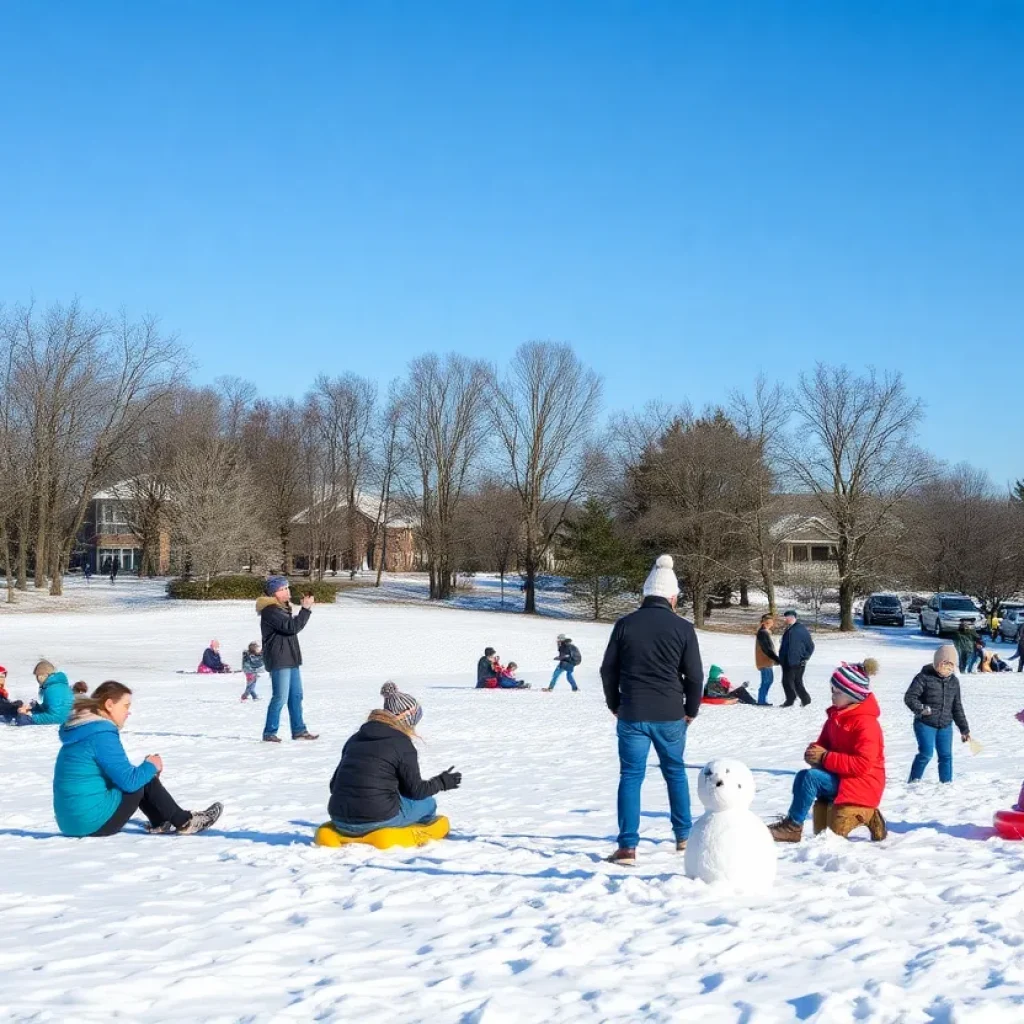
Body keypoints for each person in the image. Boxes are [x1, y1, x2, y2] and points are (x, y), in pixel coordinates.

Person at [600, 554, 703, 866]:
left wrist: (614, 704)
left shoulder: (624, 625)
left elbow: (608, 670)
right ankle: (684, 837)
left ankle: (627, 847)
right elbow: (695, 675)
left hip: (632, 712)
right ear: (672, 597)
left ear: (645, 594)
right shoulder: (683, 628)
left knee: (631, 776)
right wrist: (691, 709)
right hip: (671, 713)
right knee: (675, 773)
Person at [53, 680, 222, 837]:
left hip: (71, 824)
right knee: (139, 778)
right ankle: (185, 821)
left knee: (140, 775)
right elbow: (130, 782)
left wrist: (146, 770)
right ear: (109, 705)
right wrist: (151, 766)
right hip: (91, 824)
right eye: (126, 706)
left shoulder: (82, 730)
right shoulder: (101, 734)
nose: (128, 712)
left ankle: (162, 822)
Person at [768, 663, 886, 842]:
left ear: (852, 695)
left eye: (837, 692)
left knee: (811, 778)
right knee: (803, 776)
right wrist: (814, 751)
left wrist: (825, 757)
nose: (832, 696)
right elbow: (823, 743)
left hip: (862, 783)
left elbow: (862, 765)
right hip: (842, 777)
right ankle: (793, 823)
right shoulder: (836, 718)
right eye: (832, 690)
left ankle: (793, 827)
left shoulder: (866, 725)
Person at [328, 682, 461, 835]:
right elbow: (415, 791)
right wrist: (442, 782)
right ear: (407, 720)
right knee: (428, 803)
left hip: (339, 818)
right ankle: (420, 832)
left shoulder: (355, 739)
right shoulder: (402, 743)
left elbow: (334, 786)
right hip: (378, 818)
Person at [258, 576, 317, 742]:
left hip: (291, 658)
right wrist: (305, 609)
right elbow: (291, 627)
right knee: (280, 697)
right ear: (273, 593)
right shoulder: (270, 610)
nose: (286, 591)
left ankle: (299, 730)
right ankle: (270, 732)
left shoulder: (283, 609)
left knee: (296, 696)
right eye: (282, 589)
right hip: (279, 660)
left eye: (286, 588)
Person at [905, 644, 971, 784]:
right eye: (945, 665)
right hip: (925, 723)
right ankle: (913, 782)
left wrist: (964, 729)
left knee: (946, 756)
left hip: (945, 725)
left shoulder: (954, 681)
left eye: (951, 666)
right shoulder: (923, 677)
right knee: (926, 753)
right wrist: (921, 709)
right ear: (937, 663)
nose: (948, 669)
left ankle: (946, 784)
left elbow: (957, 706)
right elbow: (910, 697)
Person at [17, 661, 73, 726]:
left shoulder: (53, 689)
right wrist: (35, 707)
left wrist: (30, 717)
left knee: (20, 719)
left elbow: (58, 717)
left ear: (44, 675)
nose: (37, 679)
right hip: (64, 720)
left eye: (38, 676)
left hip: (60, 722)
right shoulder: (59, 686)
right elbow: (51, 708)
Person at [778, 610, 814, 707]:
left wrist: (805, 658)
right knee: (793, 681)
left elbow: (810, 646)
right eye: (786, 617)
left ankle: (792, 700)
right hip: (786, 661)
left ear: (794, 617)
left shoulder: (800, 629)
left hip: (796, 661)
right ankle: (804, 699)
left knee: (790, 681)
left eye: (789, 617)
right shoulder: (789, 629)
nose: (787, 619)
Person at [755, 613, 781, 705]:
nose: (771, 624)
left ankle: (762, 700)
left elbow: (769, 648)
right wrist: (777, 659)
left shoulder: (764, 632)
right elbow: (767, 649)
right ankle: (761, 701)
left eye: (772, 622)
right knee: (766, 681)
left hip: (767, 661)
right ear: (765, 623)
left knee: (768, 681)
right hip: (764, 661)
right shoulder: (762, 633)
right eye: (769, 622)